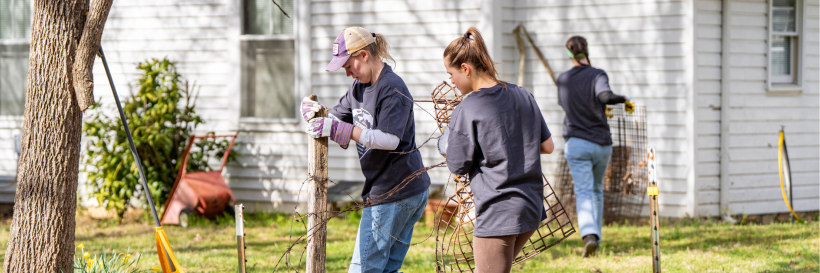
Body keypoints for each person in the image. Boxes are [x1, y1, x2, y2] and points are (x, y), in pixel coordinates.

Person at [301, 27, 430, 272]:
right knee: (386, 269)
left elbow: (390, 139)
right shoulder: (358, 89)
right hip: (401, 189)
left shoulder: (391, 87)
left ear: (363, 55)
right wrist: (312, 110)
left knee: (365, 269)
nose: (348, 73)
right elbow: (335, 118)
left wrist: (345, 131)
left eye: (349, 66)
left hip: (396, 190)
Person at [440, 27, 554, 273]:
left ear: (466, 69)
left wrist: (446, 143)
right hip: (531, 208)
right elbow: (547, 146)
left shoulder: (468, 108)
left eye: (451, 74)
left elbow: (457, 164)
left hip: (498, 212)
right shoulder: (523, 95)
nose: (451, 81)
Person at [556, 36, 634, 257]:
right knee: (597, 190)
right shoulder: (597, 74)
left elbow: (568, 104)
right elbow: (605, 96)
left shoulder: (562, 80)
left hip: (577, 143)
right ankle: (596, 237)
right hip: (601, 144)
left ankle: (589, 234)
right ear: (586, 50)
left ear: (569, 54)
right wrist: (624, 98)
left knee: (583, 191)